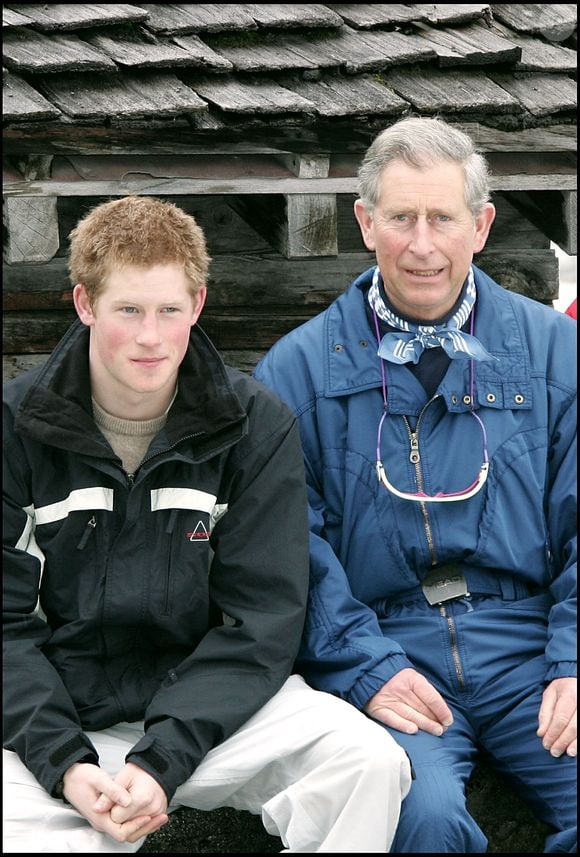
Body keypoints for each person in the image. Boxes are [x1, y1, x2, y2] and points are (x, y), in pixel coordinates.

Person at [3, 196, 413, 853]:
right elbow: (3, 629)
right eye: (128, 310)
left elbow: (264, 616)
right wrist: (68, 766)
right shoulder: (15, 428)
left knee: (365, 760)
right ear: (84, 305)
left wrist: (163, 757)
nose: (150, 336)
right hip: (61, 720)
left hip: (209, 710)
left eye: (170, 310)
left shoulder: (255, 424)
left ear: (197, 304)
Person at [254, 117, 577, 853]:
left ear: (482, 225)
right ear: (366, 222)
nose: (423, 244)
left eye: (443, 218)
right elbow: (281, 549)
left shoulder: (557, 352)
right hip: (387, 643)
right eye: (401, 218)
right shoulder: (293, 373)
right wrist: (364, 665)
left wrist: (575, 659)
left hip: (529, 640)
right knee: (420, 817)